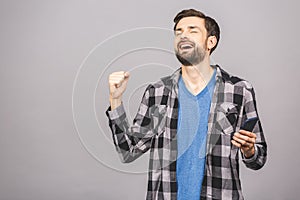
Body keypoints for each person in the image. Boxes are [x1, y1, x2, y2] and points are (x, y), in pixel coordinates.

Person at [106, 8, 267, 200]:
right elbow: (128, 151)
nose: (183, 36)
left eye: (192, 30)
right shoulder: (157, 92)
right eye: (178, 32)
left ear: (211, 42)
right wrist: (115, 100)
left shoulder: (239, 90)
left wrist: (249, 150)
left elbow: (259, 159)